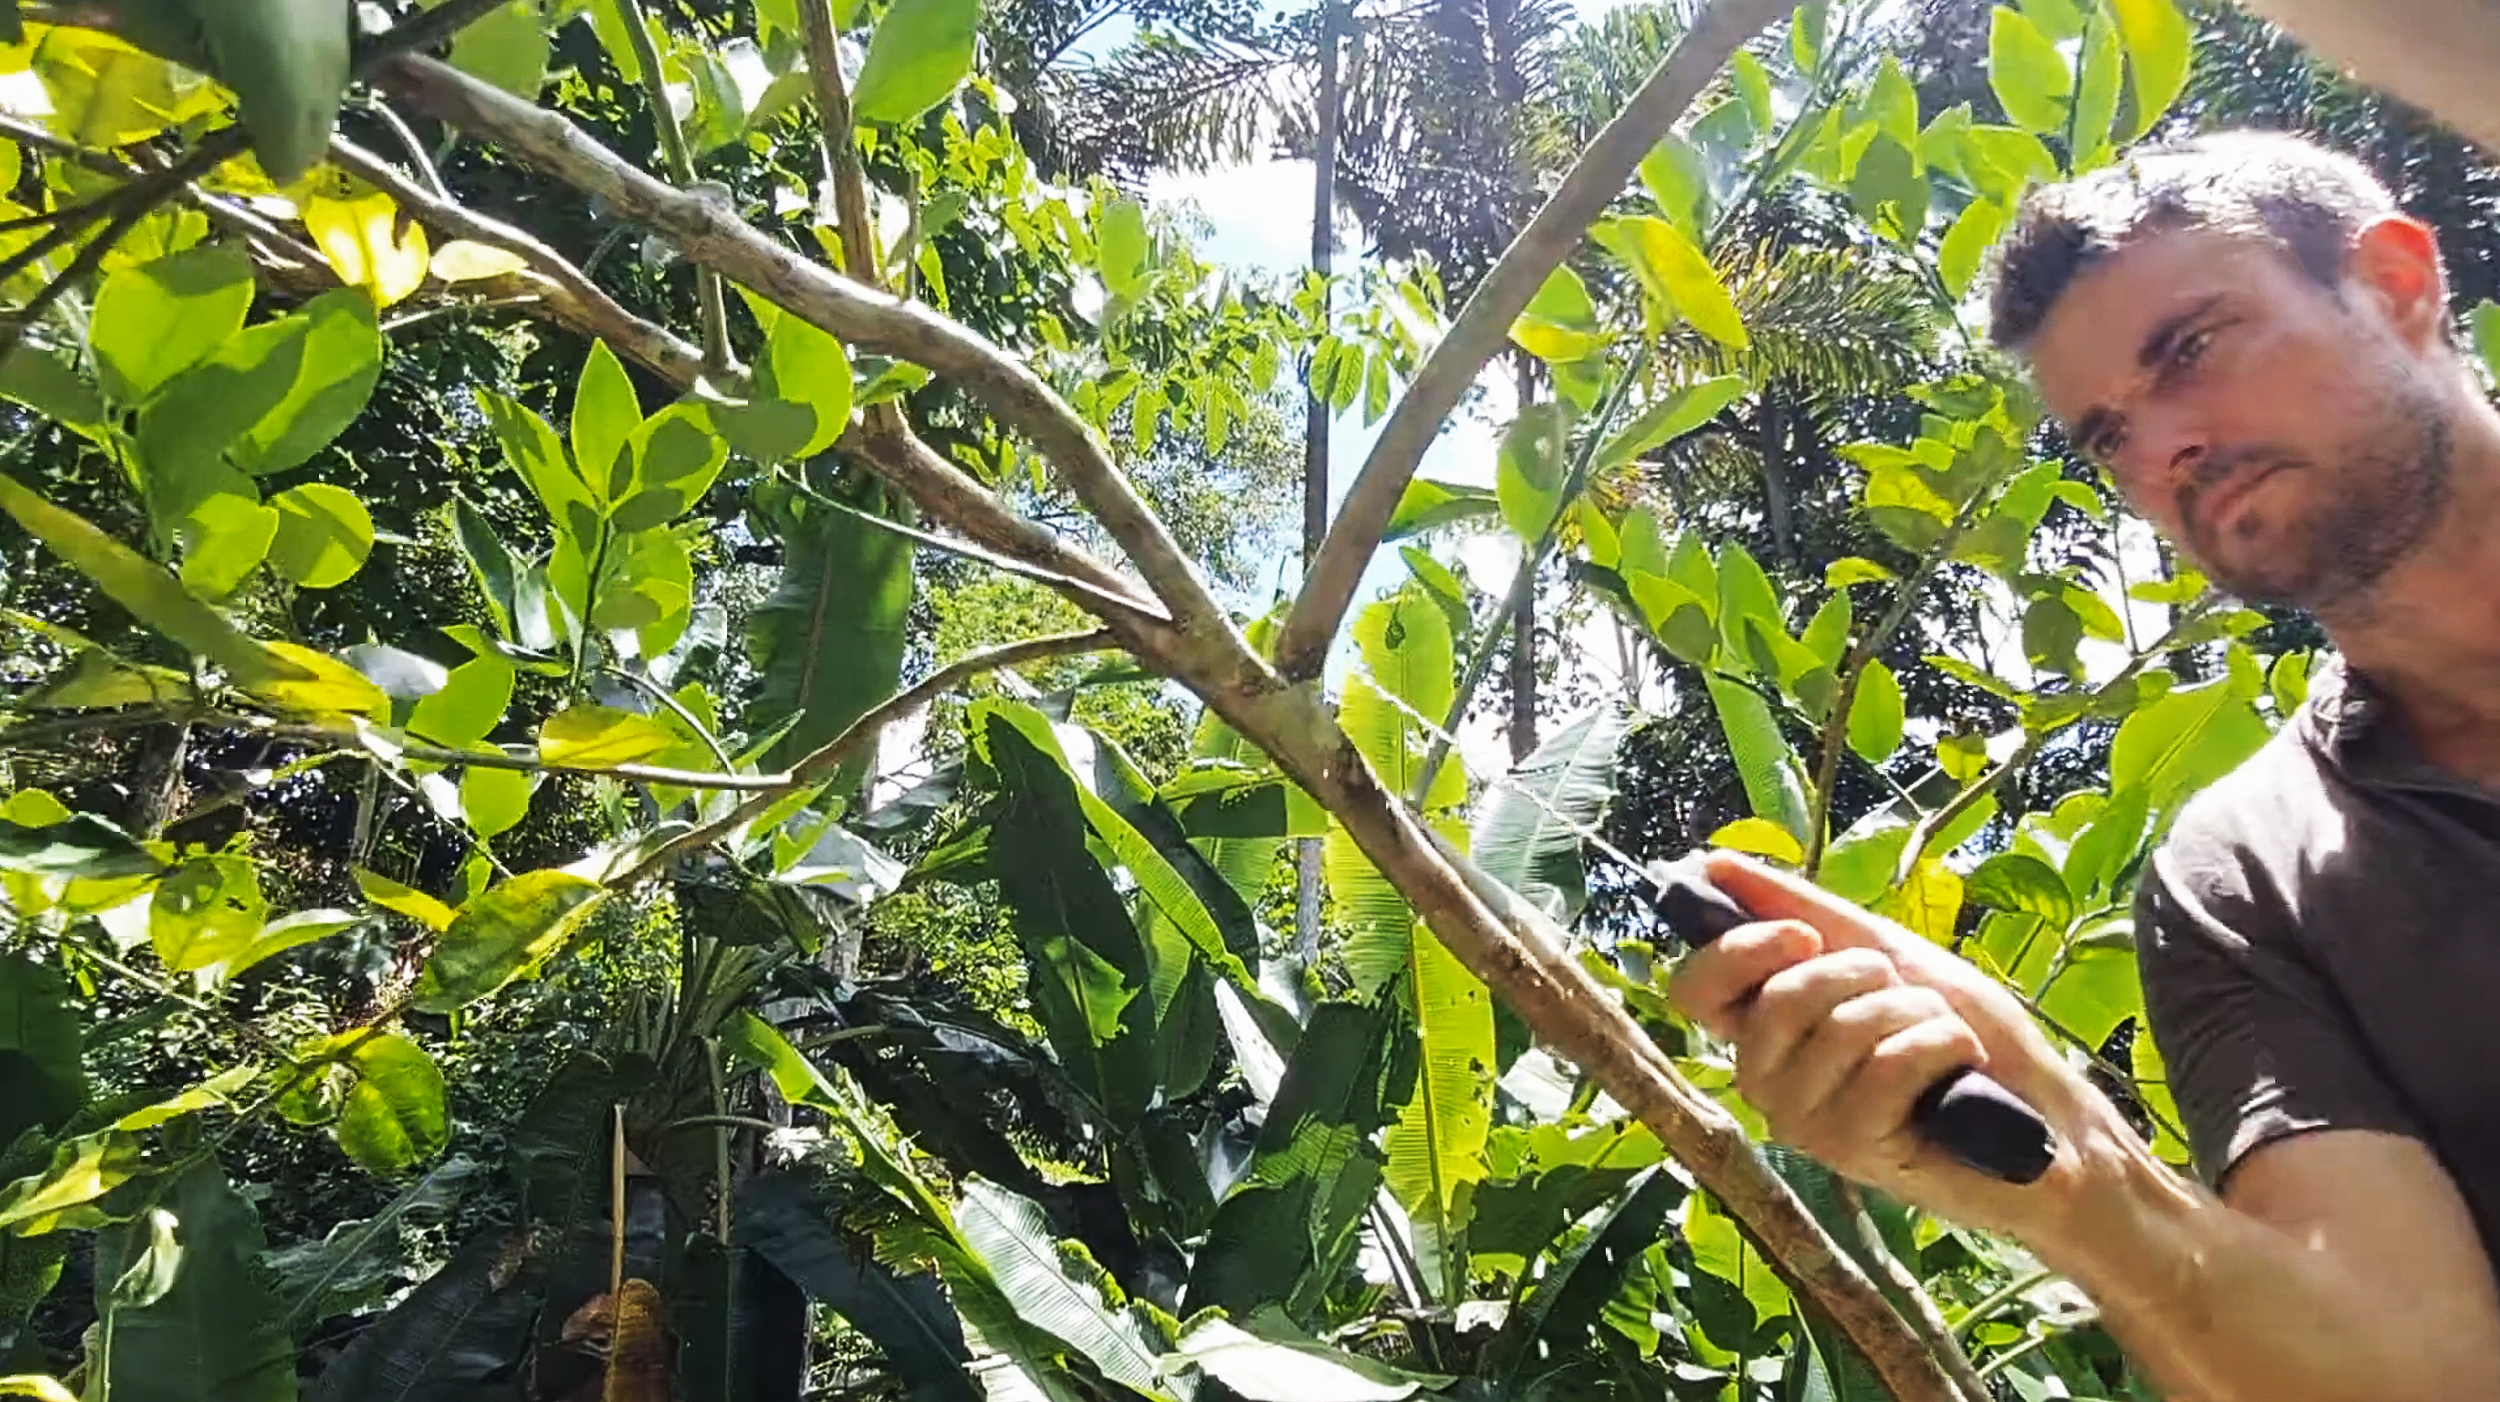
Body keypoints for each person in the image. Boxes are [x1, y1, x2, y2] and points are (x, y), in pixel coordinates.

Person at [1665, 129, 2500, 1401]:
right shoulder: (2243, 881)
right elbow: (2425, 1380)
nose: (2162, 449)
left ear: (2395, 283)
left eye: (2190, 347)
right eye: (2108, 433)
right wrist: (2081, 1187)